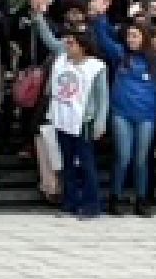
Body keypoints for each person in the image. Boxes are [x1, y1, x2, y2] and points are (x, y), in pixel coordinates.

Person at [91, 10, 156, 218]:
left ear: (144, 37)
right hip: (122, 113)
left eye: (135, 36)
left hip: (146, 115)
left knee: (141, 159)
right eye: (129, 36)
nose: (131, 40)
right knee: (123, 156)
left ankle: (142, 199)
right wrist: (100, 16)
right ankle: (115, 197)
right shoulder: (121, 55)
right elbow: (103, 39)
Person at [39, 15, 108, 220]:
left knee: (86, 164)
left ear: (83, 46)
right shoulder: (61, 59)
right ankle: (70, 202)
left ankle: (91, 204)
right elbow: (48, 39)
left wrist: (100, 122)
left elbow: (102, 98)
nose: (67, 46)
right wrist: (38, 16)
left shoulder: (96, 67)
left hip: (84, 121)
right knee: (66, 163)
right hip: (62, 118)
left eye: (71, 43)